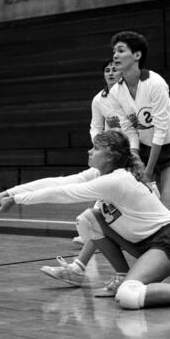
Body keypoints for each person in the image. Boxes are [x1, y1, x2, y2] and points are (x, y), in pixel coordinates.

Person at [0, 130, 170, 310]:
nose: (90, 151)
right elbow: (57, 183)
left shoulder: (116, 180)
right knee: (88, 219)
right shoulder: (99, 174)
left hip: (168, 244)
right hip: (143, 244)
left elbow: (64, 194)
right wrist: (9, 193)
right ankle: (122, 276)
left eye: (96, 148)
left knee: (128, 295)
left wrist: (16, 199)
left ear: (110, 155)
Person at [107, 30, 170, 284]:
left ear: (137, 55)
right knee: (146, 212)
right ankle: (146, 263)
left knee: (167, 213)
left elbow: (161, 129)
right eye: (114, 51)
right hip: (145, 150)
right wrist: (135, 158)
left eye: (121, 50)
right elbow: (129, 129)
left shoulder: (155, 83)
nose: (115, 55)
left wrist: (148, 170)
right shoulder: (117, 92)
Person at [73, 59, 121, 246]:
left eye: (114, 69)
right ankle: (91, 229)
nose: (110, 73)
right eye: (107, 70)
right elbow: (95, 126)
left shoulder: (130, 96)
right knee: (99, 186)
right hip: (109, 151)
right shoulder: (98, 99)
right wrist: (99, 145)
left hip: (130, 149)